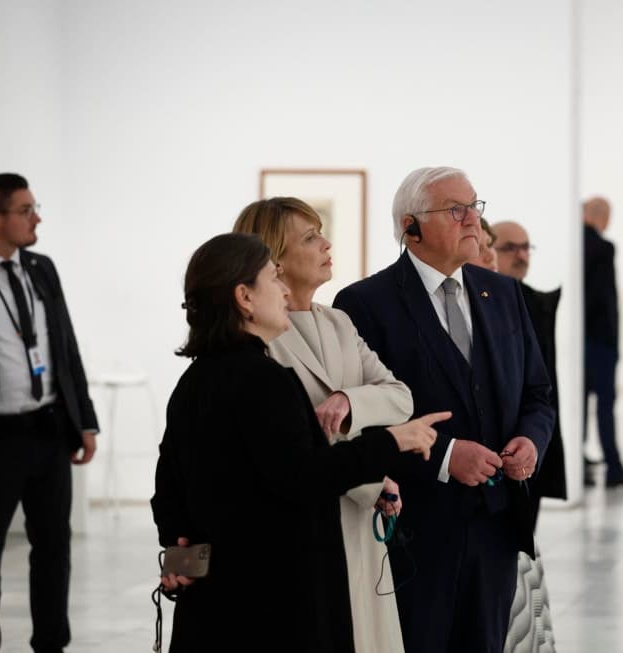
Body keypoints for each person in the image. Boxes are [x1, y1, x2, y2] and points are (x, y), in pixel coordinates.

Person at [150, 233, 441, 652]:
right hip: (273, 605)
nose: (285, 290)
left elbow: (169, 492)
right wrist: (393, 440)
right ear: (244, 297)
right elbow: (305, 477)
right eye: (274, 278)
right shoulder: (263, 380)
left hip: (216, 607)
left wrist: (181, 557)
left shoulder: (194, 381)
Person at [333, 166, 554, 653]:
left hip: (497, 526)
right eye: (456, 210)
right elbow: (362, 421)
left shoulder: (503, 294)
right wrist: (446, 456)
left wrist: (531, 440)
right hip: (416, 528)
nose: (472, 219)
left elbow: (537, 392)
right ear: (411, 227)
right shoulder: (364, 303)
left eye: (474, 206)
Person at [232, 197, 413, 651]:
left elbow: (400, 397)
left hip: (359, 521)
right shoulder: (255, 340)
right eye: (311, 238)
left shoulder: (338, 322)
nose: (326, 244)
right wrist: (371, 482)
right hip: (302, 524)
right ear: (274, 258)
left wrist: (349, 400)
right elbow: (289, 445)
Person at [0, 173, 99, 653]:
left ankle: (51, 643)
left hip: (49, 428)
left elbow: (66, 346)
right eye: (26, 210)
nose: (36, 218)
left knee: (53, 547)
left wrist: (85, 419)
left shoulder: (41, 268)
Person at [492, 220, 567, 524]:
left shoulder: (536, 304)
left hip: (530, 441)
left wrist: (536, 438)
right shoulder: (483, 306)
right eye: (510, 248)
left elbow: (542, 387)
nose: (521, 255)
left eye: (525, 247)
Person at [582, 197, 623, 489]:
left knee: (580, 403)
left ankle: (580, 463)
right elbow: (604, 299)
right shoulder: (603, 247)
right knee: (605, 404)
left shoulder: (574, 246)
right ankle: (614, 467)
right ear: (601, 215)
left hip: (580, 339)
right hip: (600, 339)